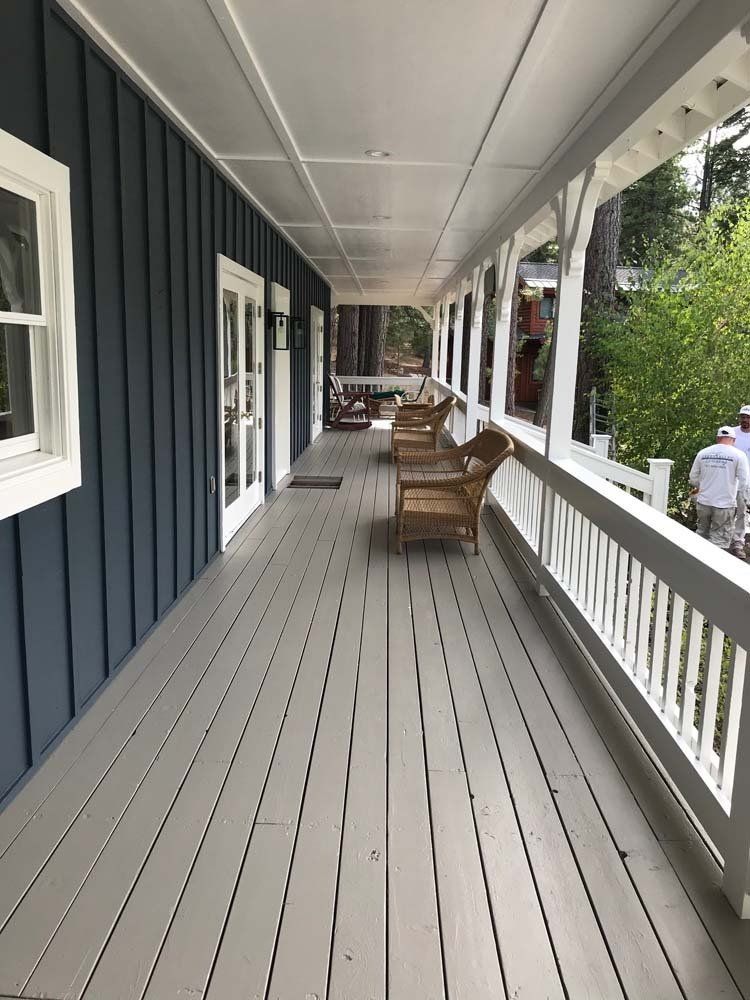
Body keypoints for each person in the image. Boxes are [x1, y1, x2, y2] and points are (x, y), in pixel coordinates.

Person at [689, 426, 749, 552]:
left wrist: (705, 487)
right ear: (733, 440)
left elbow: (693, 478)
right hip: (724, 504)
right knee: (719, 540)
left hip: (704, 502)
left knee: (701, 534)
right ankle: (712, 567)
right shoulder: (739, 455)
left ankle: (696, 563)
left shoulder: (703, 453)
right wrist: (742, 498)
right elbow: (744, 482)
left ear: (717, 438)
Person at [731, 405, 750, 555]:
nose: (745, 420)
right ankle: (734, 542)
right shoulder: (732, 433)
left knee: (743, 512)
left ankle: (739, 541)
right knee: (731, 510)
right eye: (743, 417)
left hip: (748, 480)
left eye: (748, 417)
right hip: (732, 479)